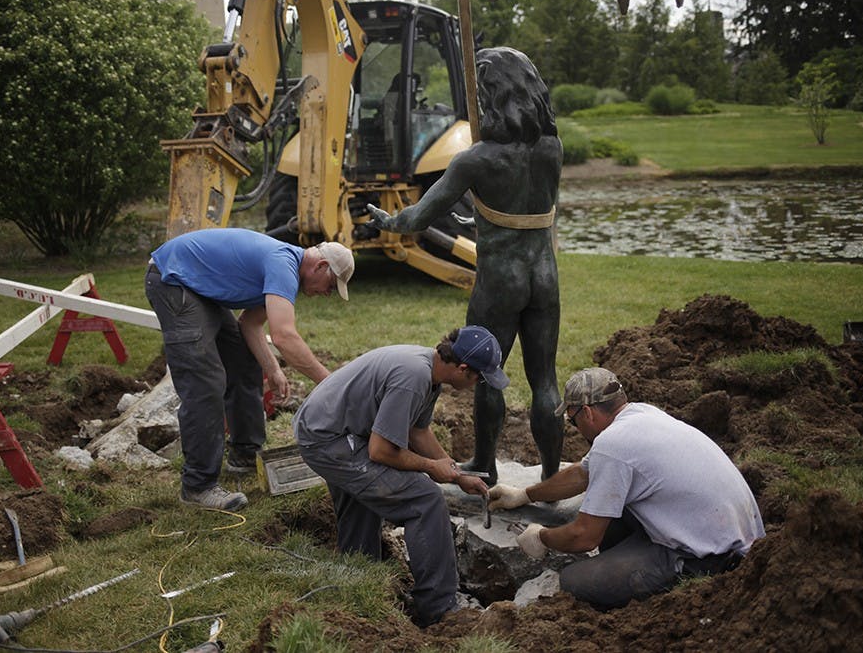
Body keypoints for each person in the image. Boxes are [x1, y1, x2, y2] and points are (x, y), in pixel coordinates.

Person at [367, 47, 563, 485]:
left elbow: (417, 217)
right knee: (544, 380)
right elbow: (533, 208)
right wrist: (485, 212)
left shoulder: (477, 159)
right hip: (545, 275)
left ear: (489, 93)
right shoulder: (553, 147)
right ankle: (552, 475)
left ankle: (485, 464)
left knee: (487, 374)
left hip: (501, 280)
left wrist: (388, 221)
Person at [489, 367, 765, 610]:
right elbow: (582, 474)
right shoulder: (642, 414)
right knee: (613, 506)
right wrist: (525, 494)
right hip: (730, 532)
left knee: (575, 580)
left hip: (708, 558)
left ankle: (667, 580)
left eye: (573, 421)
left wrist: (542, 537)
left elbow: (584, 538)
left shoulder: (613, 445)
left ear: (587, 412)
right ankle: (632, 558)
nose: (576, 428)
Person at [293, 326, 506, 627]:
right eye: (479, 378)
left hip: (334, 430)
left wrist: (457, 475)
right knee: (425, 500)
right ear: (463, 369)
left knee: (365, 497)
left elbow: (416, 431)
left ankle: (360, 577)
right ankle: (440, 608)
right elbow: (381, 452)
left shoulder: (430, 373)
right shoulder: (414, 378)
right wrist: (432, 469)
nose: (478, 385)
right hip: (329, 440)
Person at [145, 228, 354, 512]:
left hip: (196, 284)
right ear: (320, 266)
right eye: (331, 285)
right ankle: (198, 486)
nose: (328, 293)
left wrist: (273, 370)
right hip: (174, 279)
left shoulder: (282, 264)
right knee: (205, 382)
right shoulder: (284, 264)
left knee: (243, 361)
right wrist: (330, 382)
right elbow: (284, 336)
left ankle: (244, 455)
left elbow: (250, 324)